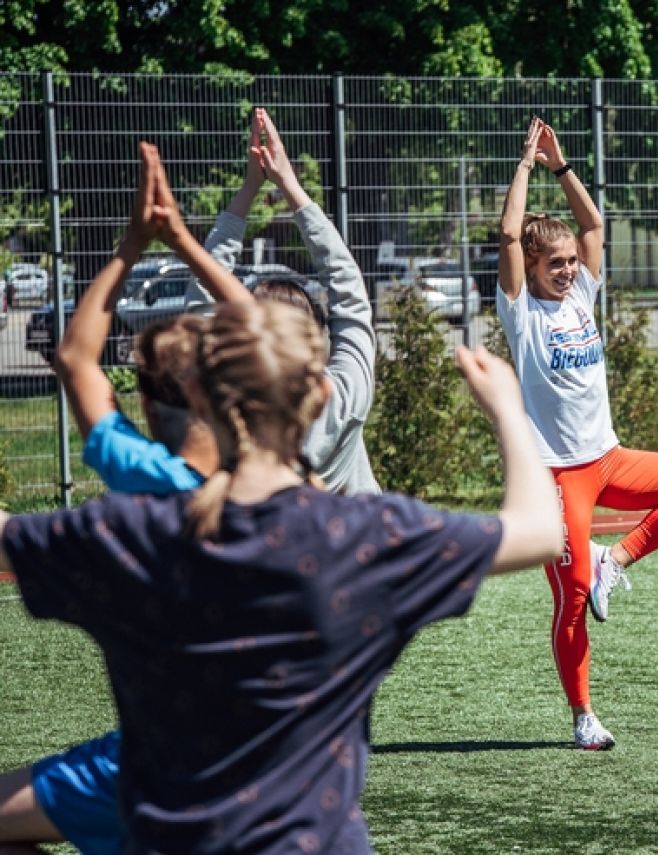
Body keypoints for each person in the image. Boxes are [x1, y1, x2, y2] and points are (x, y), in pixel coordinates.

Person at [0, 293, 561, 853]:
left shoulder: (132, 535)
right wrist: (508, 407)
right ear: (320, 396)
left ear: (197, 395)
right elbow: (539, 530)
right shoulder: (365, 538)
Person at [0, 143, 225, 855]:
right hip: (274, 773)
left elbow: (74, 357)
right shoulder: (278, 474)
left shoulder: (142, 483)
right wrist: (186, 241)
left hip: (151, 766)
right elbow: (269, 350)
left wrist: (136, 242)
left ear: (150, 406)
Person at [496, 116, 658, 750]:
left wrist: (562, 165)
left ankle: (611, 560)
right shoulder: (521, 311)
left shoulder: (581, 297)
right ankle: (583, 717)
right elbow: (510, 232)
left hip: (608, 458)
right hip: (555, 475)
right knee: (569, 599)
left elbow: (595, 226)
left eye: (572, 263)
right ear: (533, 267)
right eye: (556, 263)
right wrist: (524, 165)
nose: (568, 270)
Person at [185, 107, 379, 495]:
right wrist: (290, 183)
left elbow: (201, 302)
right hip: (354, 549)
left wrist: (247, 192)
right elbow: (348, 289)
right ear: (312, 337)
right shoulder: (343, 395)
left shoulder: (232, 410)